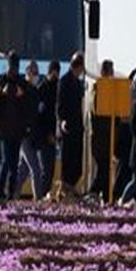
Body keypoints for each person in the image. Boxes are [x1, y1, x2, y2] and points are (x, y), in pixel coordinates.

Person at [0, 52, 32, 202]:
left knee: (13, 163)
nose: (12, 71)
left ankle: (9, 193)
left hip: (17, 131)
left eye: (15, 68)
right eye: (11, 68)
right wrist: (1, 94)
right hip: (3, 131)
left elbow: (28, 105)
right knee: (6, 161)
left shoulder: (21, 83)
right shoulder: (0, 82)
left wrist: (21, 95)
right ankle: (0, 192)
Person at [56, 52, 87, 198]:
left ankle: (72, 187)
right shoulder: (65, 81)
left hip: (77, 128)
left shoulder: (78, 83)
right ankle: (64, 189)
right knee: (68, 160)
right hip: (68, 128)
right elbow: (60, 104)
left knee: (77, 161)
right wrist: (62, 120)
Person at [112, 68, 136, 203]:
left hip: (134, 134)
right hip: (125, 132)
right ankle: (117, 193)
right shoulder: (127, 94)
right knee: (123, 166)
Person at [16, 60, 44, 199]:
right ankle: (37, 199)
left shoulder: (35, 91)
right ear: (27, 73)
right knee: (36, 169)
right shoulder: (23, 89)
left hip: (32, 135)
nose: (36, 75)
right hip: (25, 135)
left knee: (23, 171)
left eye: (37, 73)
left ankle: (12, 195)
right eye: (33, 73)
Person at [32, 60, 60, 199]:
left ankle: (44, 196)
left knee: (50, 170)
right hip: (43, 137)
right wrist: (47, 134)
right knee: (45, 170)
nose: (56, 76)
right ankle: (41, 197)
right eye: (54, 72)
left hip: (53, 136)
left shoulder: (58, 87)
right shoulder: (42, 88)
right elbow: (39, 116)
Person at [89, 59, 116, 199]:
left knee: (105, 172)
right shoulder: (98, 91)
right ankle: (92, 193)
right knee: (102, 171)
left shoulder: (106, 91)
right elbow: (99, 115)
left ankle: (106, 198)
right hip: (101, 140)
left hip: (106, 140)